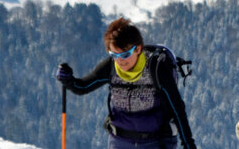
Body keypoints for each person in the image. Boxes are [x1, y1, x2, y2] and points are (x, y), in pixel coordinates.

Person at [56, 18, 198, 149]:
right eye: (114, 55)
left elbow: (177, 108)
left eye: (124, 54)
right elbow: (82, 87)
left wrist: (188, 143)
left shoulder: (156, 68)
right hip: (119, 141)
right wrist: (68, 79)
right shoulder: (111, 67)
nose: (120, 61)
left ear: (138, 49)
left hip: (155, 142)